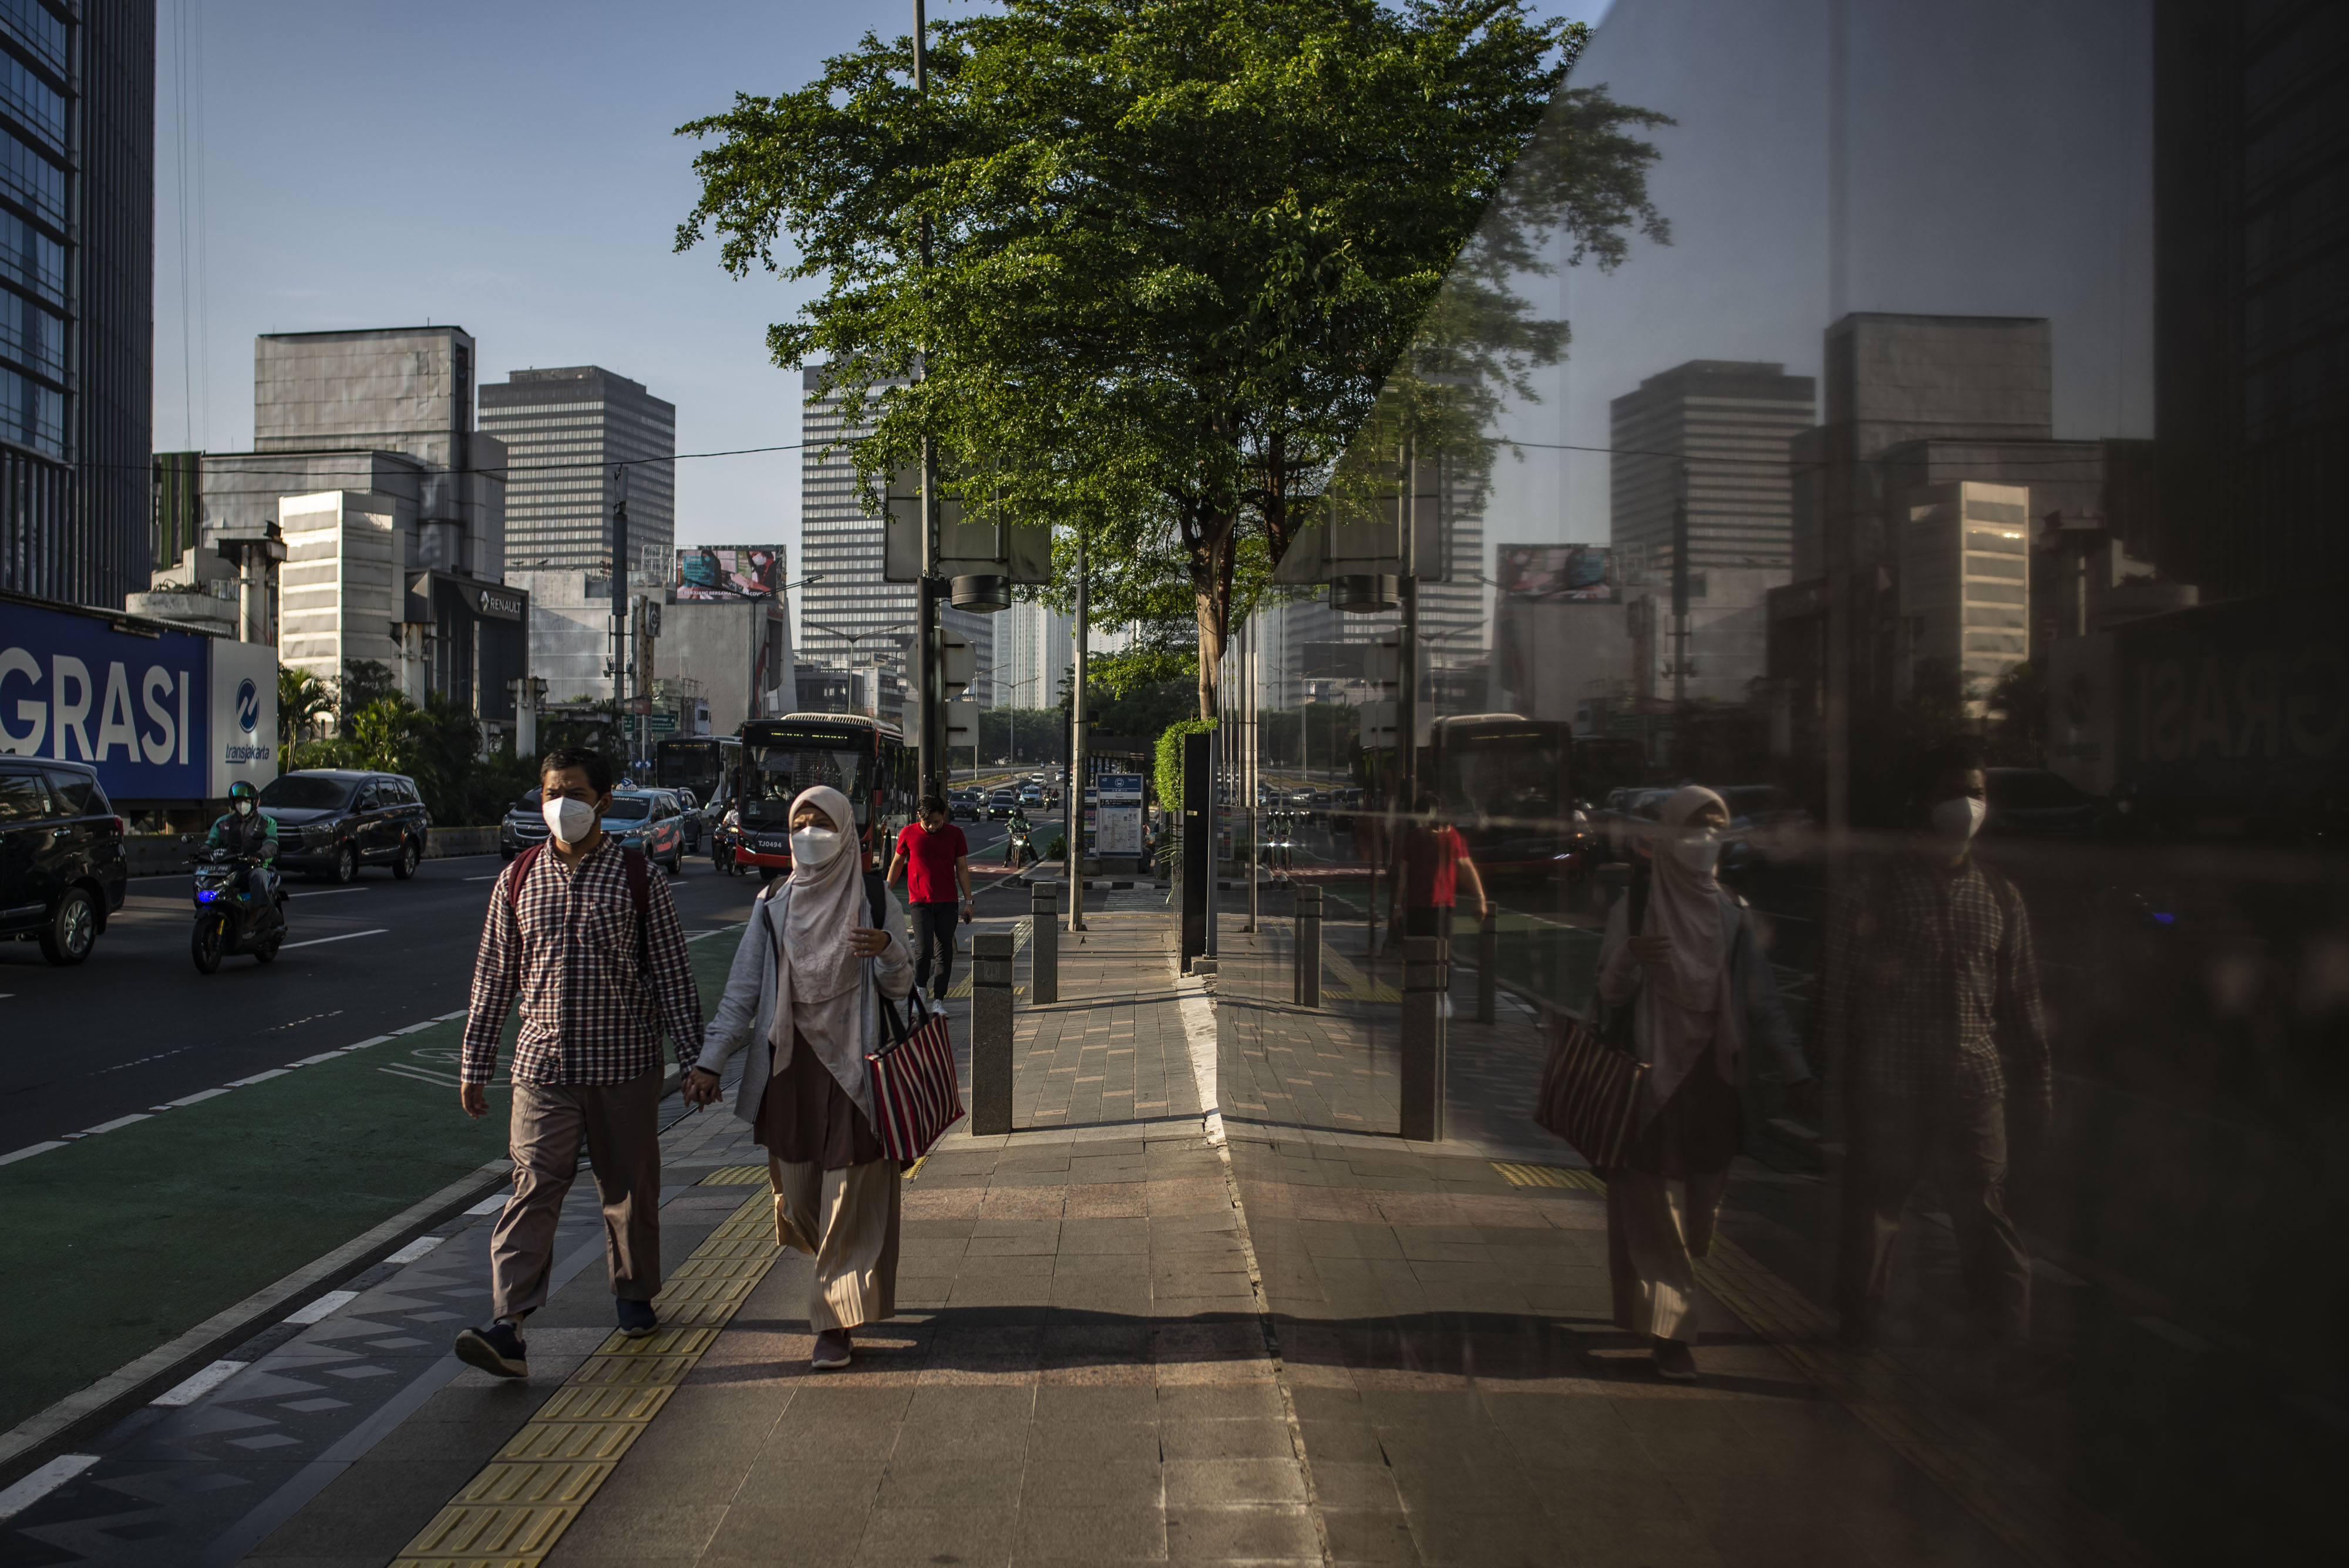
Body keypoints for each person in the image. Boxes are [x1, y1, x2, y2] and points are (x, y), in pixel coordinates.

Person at [452, 746, 706, 1379]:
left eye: (571, 791)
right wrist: (475, 1061)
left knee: (629, 1191)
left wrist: (698, 1062)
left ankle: (633, 1293)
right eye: (549, 793)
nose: (559, 804)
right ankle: (508, 1324)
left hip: (624, 1065)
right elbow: (493, 978)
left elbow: (673, 975)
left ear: (602, 800)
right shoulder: (517, 879)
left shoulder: (638, 877)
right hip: (542, 1068)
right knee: (533, 1187)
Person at [1817, 745, 2048, 1372]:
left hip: (1974, 1086)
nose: (1966, 805)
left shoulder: (1999, 896)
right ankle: (1858, 1327)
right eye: (1953, 791)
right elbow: (1837, 993)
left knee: (1983, 1211)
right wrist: (1830, 1085)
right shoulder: (1876, 889)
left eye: (1975, 791)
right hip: (1890, 1088)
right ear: (1921, 803)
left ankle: (2004, 1336)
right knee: (1876, 1212)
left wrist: (2038, 1082)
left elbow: (2022, 998)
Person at [688, 785, 915, 1370]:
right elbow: (743, 991)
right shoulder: (773, 904)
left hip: (856, 1069)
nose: (808, 834)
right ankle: (841, 1275)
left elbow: (902, 986)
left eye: (821, 822)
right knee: (797, 1201)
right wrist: (712, 1059)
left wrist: (887, 950)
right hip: (789, 1072)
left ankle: (835, 1321)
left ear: (845, 831)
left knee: (849, 1200)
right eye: (800, 823)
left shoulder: (872, 898)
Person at [1594, 785, 1816, 1382]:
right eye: (1693, 828)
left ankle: (1662, 1304)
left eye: (1717, 828)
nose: (1705, 840)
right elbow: (1608, 993)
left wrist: (1794, 1069)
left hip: (1713, 1081)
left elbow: (1762, 1002)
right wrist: (1631, 959)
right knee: (1655, 1215)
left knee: (1696, 1220)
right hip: (1651, 1078)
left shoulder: (1730, 913)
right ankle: (1673, 1333)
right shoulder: (1636, 909)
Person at [887, 795, 974, 997]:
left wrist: (968, 902)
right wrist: (886, 889)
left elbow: (962, 868)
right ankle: (920, 986)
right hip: (919, 902)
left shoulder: (955, 834)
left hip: (947, 902)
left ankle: (939, 999)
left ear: (944, 815)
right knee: (923, 949)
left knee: (944, 952)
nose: (933, 827)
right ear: (919, 816)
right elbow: (898, 862)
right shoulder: (908, 833)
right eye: (928, 823)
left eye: (937, 822)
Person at [1388, 791, 1489, 946]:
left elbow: (1468, 868)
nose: (1424, 824)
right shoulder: (1413, 837)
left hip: (1442, 909)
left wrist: (1480, 898)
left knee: (1441, 958)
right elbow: (1403, 875)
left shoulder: (1453, 838)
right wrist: (1397, 907)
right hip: (1416, 908)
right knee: (1416, 956)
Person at [204, 780, 280, 901]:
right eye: (238, 801)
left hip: (254, 866)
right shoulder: (222, 823)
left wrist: (259, 855)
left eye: (247, 801)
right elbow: (211, 842)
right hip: (227, 867)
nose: (242, 805)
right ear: (233, 803)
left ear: (254, 802)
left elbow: (271, 845)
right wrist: (203, 851)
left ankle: (256, 913)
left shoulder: (267, 823)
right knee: (203, 881)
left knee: (259, 877)